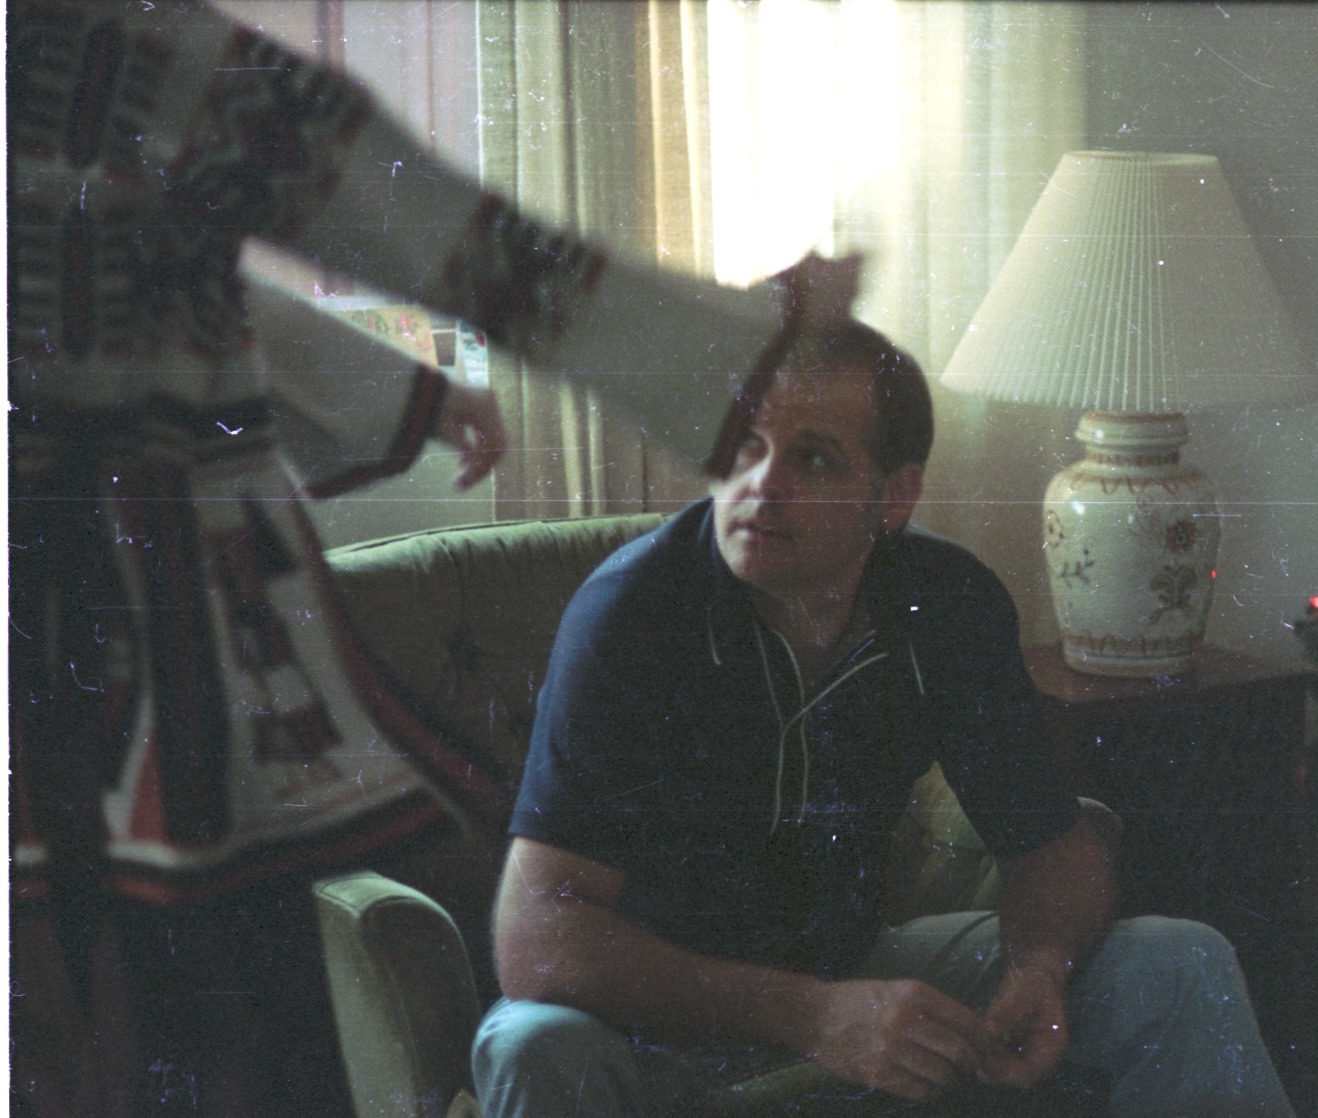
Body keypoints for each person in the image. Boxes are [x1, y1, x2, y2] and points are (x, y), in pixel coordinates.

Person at [8, 2, 854, 1114]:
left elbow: (139, 266)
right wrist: (715, 343)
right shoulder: (120, 46)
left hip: (97, 660)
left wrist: (400, 393)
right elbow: (377, 195)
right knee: (186, 1017)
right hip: (133, 647)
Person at [474, 322, 1297, 1117]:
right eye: (745, 446)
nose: (761, 485)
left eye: (815, 457)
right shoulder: (634, 613)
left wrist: (1039, 967)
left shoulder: (949, 601)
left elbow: (1052, 847)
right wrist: (814, 1015)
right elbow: (537, 937)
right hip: (646, 1014)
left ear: (894, 494)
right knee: (531, 1046)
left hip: (856, 966)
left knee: (1180, 962)